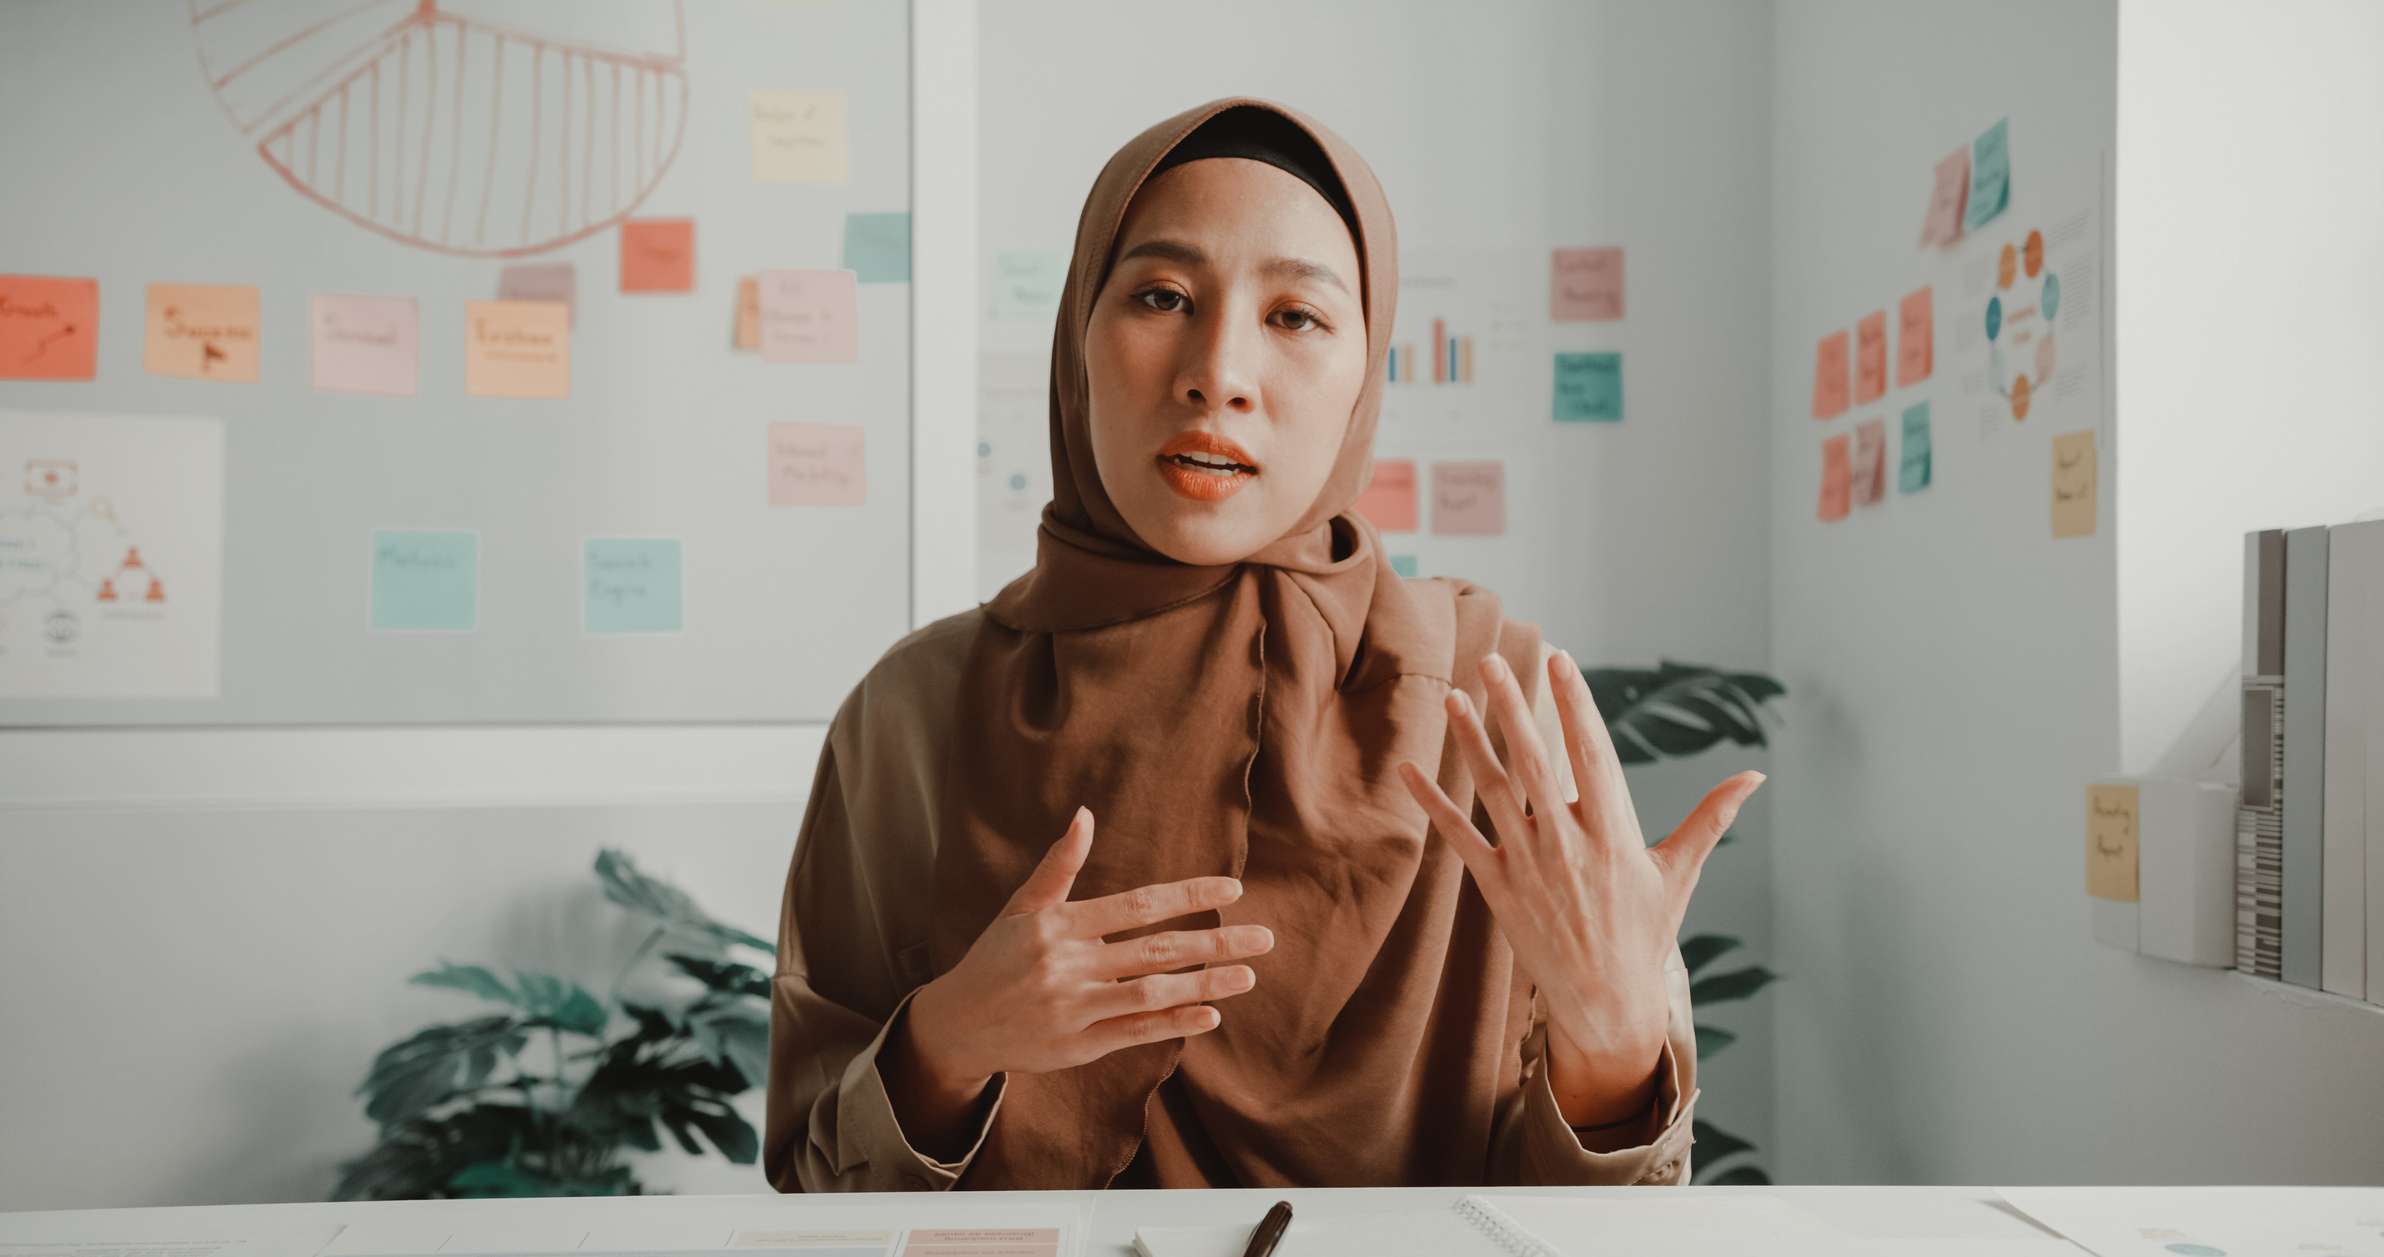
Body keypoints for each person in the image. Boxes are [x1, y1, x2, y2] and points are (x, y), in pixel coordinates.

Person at [763, 98, 1764, 1191]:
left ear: (1363, 377)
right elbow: (812, 1194)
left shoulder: (1486, 696)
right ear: (1076, 341)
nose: (1217, 373)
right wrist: (943, 1047)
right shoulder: (914, 711)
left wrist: (1615, 1047)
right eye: (1159, 296)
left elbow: (1593, 1228)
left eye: (1295, 317)